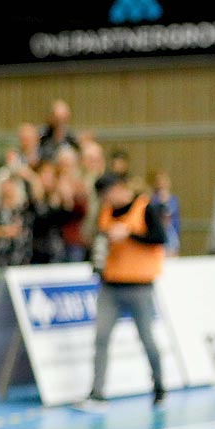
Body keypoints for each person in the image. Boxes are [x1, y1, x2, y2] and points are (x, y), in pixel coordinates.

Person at [75, 175, 168, 411]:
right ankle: (97, 393)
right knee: (101, 337)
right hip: (111, 284)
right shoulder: (106, 212)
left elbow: (160, 238)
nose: (106, 200)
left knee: (146, 338)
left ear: (117, 189)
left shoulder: (146, 207)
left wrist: (129, 235)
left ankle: (159, 387)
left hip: (139, 285)